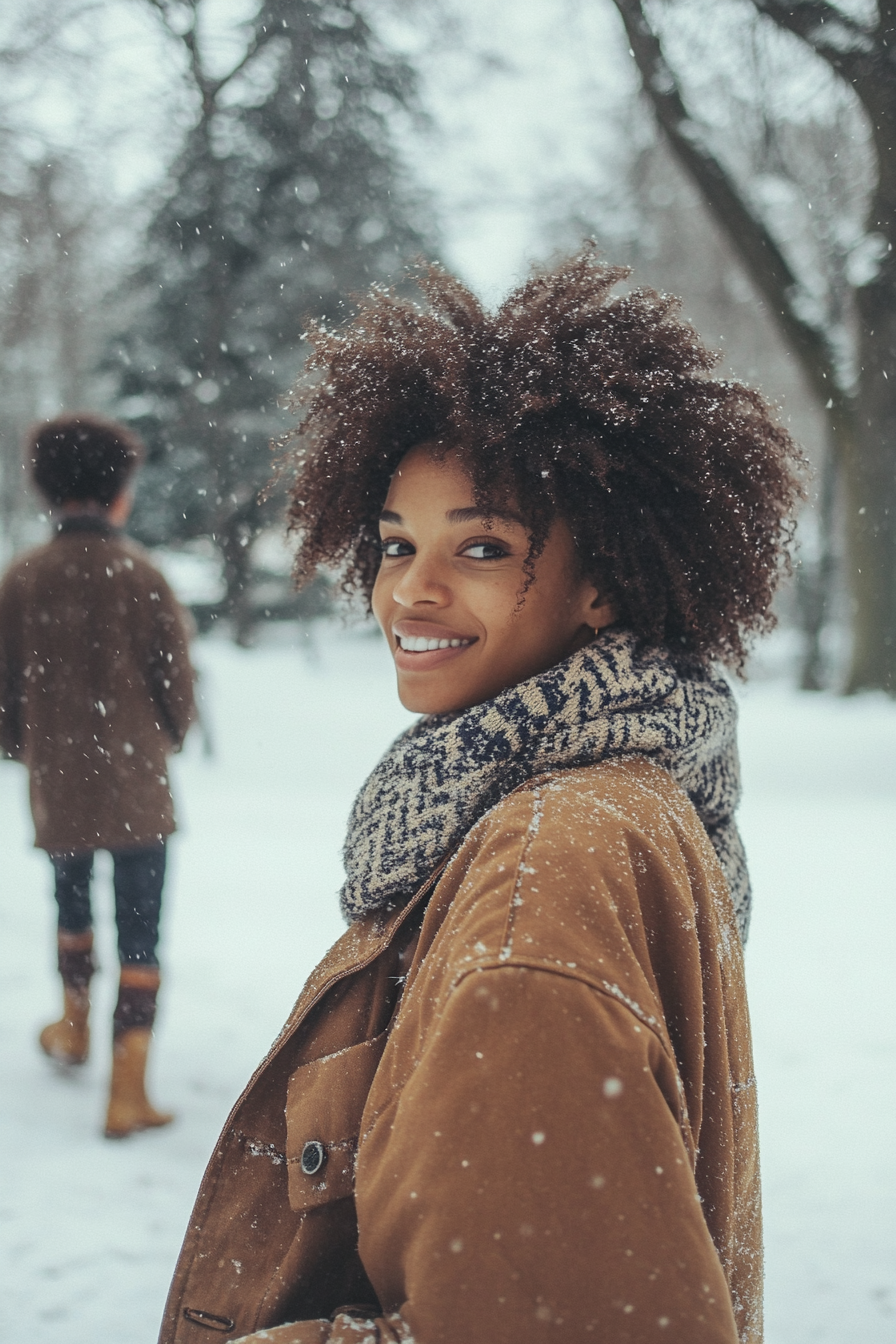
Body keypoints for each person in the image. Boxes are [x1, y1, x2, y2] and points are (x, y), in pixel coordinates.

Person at [159, 254, 802, 1342]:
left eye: (483, 547)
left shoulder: (545, 859)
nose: (411, 589)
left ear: (604, 580)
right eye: (397, 544)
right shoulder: (626, 791)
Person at [0, 412, 196, 1138]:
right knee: (142, 931)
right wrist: (163, 740)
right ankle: (128, 1087)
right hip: (138, 785)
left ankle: (73, 1026)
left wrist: (32, 749)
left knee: (71, 908)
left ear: (47, 489)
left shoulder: (20, 579)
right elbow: (177, 688)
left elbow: (3, 695)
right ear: (121, 491)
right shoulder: (141, 574)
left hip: (59, 789)